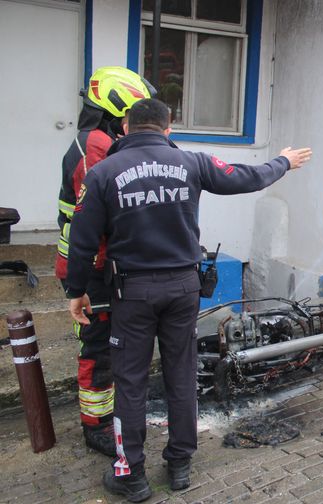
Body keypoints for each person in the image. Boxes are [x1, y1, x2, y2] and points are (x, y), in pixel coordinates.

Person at [65, 98, 312, 501]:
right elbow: (247, 177)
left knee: (131, 382)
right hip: (183, 288)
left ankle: (131, 475)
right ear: (168, 129)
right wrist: (283, 161)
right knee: (181, 375)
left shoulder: (104, 172)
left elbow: (82, 240)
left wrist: (76, 291)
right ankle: (180, 464)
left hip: (133, 292)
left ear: (125, 127)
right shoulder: (191, 162)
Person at [55, 66, 155, 456]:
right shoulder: (94, 146)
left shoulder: (103, 140)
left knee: (113, 346)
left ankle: (111, 414)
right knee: (97, 350)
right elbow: (103, 214)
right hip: (89, 270)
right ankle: (95, 426)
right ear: (114, 113)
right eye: (130, 118)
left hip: (103, 266)